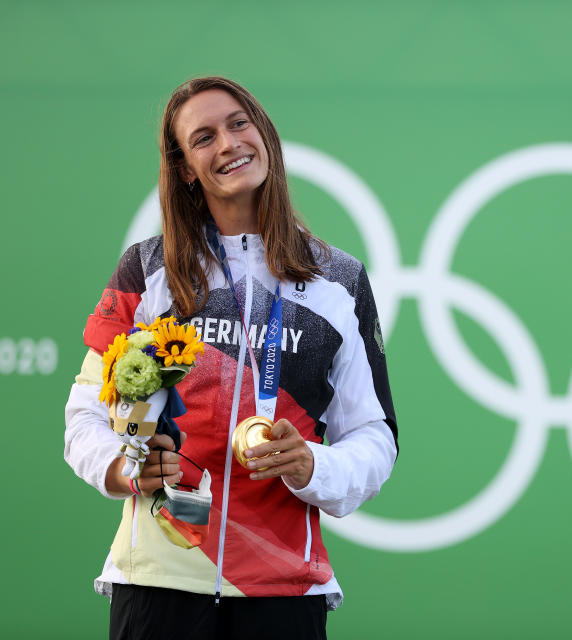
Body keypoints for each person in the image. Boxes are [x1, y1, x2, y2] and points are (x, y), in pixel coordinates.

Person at [64, 76, 398, 639]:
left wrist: (314, 465)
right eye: (203, 137)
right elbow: (84, 417)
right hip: (158, 583)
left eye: (238, 123)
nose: (227, 143)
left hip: (284, 588)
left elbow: (374, 435)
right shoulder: (148, 270)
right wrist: (126, 468)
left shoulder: (338, 281)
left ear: (263, 133)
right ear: (185, 168)